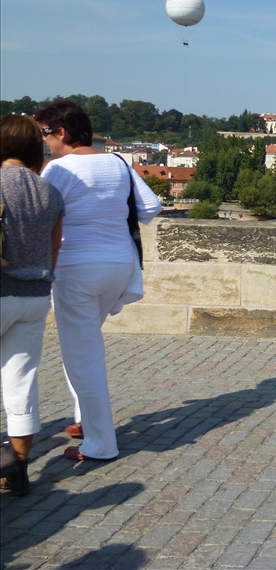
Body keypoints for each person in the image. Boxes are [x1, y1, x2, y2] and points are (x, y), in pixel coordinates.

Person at [35, 100, 162, 461]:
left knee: (82, 354)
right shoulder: (119, 162)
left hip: (77, 268)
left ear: (61, 132)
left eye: (46, 134)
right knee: (83, 345)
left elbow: (40, 216)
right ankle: (82, 418)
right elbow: (151, 207)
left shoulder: (58, 169)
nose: (45, 143)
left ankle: (100, 443)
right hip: (119, 265)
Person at [0, 115, 64, 494]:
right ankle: (18, 465)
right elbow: (54, 249)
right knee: (21, 380)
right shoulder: (49, 192)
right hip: (35, 296)